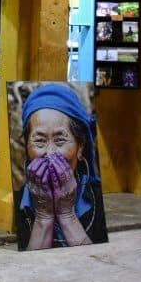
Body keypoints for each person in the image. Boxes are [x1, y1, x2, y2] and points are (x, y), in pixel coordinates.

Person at [16, 84, 106, 250]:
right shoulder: (16, 204)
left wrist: (67, 214)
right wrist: (44, 215)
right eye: (40, 141)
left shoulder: (100, 201)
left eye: (60, 140)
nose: (50, 153)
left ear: (80, 147)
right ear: (27, 149)